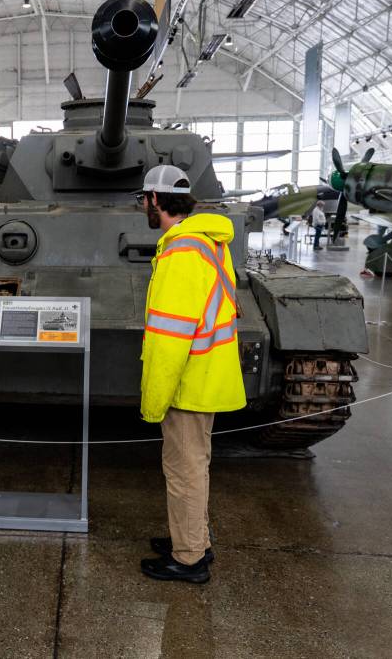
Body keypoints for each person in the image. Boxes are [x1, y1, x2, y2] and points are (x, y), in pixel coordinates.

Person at [136, 165, 246, 584]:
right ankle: (193, 538)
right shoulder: (207, 241)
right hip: (207, 372)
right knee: (195, 465)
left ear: (155, 201)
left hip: (187, 381)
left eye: (143, 199)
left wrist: (153, 400)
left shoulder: (181, 252)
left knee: (184, 470)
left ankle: (188, 559)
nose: (143, 206)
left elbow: (170, 337)